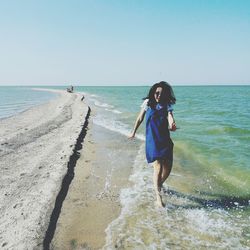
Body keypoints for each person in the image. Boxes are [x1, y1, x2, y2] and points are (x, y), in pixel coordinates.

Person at [129, 81, 177, 207]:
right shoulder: (147, 103)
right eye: (156, 93)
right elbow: (140, 118)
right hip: (153, 139)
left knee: (168, 167)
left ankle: (158, 184)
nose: (158, 96)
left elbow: (170, 116)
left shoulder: (167, 105)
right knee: (158, 166)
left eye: (161, 94)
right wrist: (133, 132)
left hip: (165, 138)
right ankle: (158, 197)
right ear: (153, 92)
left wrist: (172, 124)